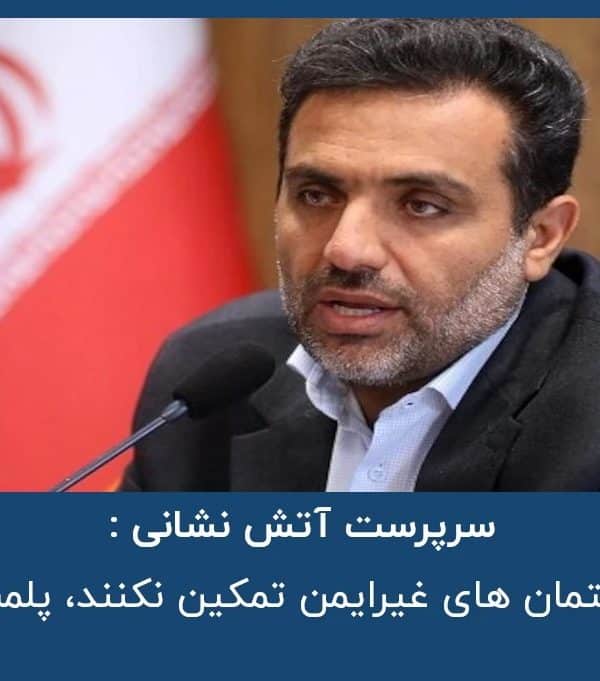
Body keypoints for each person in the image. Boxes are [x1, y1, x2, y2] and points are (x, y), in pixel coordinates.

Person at [120, 18, 600, 492]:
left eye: (422, 206)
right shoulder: (206, 383)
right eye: (316, 195)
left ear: (541, 237)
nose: (347, 250)